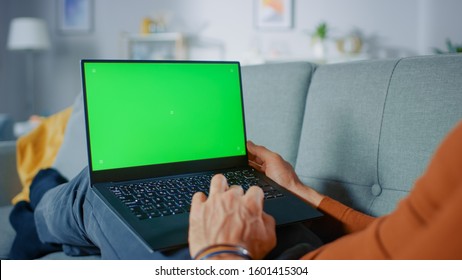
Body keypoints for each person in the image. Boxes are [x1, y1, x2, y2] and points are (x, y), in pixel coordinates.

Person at [12, 121, 462, 259]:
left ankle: (30, 213)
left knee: (96, 186)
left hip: (244, 261)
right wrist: (298, 191)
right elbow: (402, 236)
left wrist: (222, 252)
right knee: (122, 191)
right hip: (295, 246)